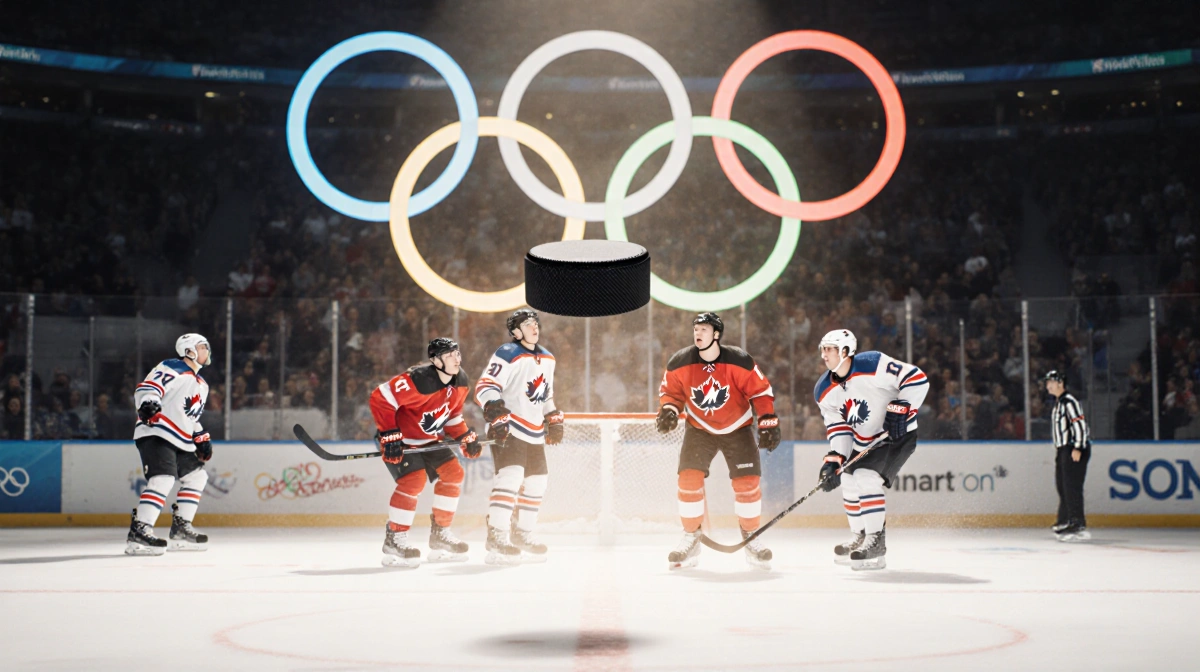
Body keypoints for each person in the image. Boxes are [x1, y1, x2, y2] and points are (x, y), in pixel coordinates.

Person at [656, 312, 781, 570]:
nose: (698, 333)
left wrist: (768, 419)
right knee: (688, 478)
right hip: (699, 428)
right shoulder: (679, 362)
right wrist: (669, 409)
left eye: (704, 329)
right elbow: (671, 393)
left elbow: (760, 391)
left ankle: (751, 536)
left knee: (747, 483)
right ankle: (691, 536)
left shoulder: (739, 360)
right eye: (695, 329)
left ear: (716, 334)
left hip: (738, 427)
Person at [814, 329, 928, 570]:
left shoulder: (873, 363)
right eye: (823, 348)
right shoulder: (823, 390)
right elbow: (839, 428)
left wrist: (903, 406)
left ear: (846, 351)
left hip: (896, 436)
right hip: (865, 441)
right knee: (846, 476)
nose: (824, 354)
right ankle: (860, 536)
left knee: (866, 477)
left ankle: (876, 542)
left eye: (830, 348)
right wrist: (836, 460)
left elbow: (917, 378)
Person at [367, 338, 480, 568]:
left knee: (454, 474)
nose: (457, 359)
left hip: (429, 441)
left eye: (457, 353)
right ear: (436, 360)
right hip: (403, 441)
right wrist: (389, 434)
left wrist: (465, 437)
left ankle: (440, 534)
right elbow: (380, 398)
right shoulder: (418, 380)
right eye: (450, 355)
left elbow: (452, 416)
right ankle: (394, 539)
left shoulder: (462, 381)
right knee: (414, 480)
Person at [475, 309, 562, 565]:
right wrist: (495, 411)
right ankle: (497, 535)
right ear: (515, 332)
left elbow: (545, 395)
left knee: (537, 482)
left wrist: (552, 415)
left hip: (534, 431)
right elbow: (485, 386)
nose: (534, 327)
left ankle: (522, 533)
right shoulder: (507, 352)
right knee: (510, 478)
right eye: (527, 324)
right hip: (509, 427)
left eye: (535, 323)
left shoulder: (548, 357)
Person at [126, 334, 213, 555]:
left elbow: (190, 416)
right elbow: (150, 387)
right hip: (157, 431)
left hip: (180, 439)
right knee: (163, 478)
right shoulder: (172, 366)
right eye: (203, 347)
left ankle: (181, 529)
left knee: (197, 476)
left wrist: (201, 437)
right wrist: (148, 403)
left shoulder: (202, 384)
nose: (207, 351)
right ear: (190, 351)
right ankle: (140, 531)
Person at [1045, 370, 1091, 542]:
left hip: (1073, 447)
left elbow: (1078, 424)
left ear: (1060, 383)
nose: (1047, 386)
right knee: (1062, 485)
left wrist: (1078, 446)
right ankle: (1065, 519)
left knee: (1072, 486)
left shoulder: (1069, 402)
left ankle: (1077, 522)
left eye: (1050, 382)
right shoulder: (1059, 403)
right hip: (1064, 449)